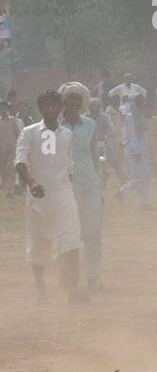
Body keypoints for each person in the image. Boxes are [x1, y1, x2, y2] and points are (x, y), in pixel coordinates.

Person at [15, 90, 81, 303]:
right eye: (46, 106)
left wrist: (70, 185)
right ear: (40, 108)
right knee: (38, 245)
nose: (51, 110)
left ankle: (71, 289)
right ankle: (41, 289)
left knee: (70, 240)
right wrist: (32, 182)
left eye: (54, 106)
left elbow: (68, 163)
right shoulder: (29, 132)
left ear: (60, 107)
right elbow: (20, 162)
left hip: (64, 195)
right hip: (39, 199)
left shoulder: (67, 135)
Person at [57, 83, 105, 292]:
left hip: (90, 183)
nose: (74, 103)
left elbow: (94, 155)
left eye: (77, 99)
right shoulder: (56, 127)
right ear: (63, 102)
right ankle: (66, 278)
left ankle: (93, 277)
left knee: (93, 231)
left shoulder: (90, 125)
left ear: (82, 101)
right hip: (65, 187)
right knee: (67, 233)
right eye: (70, 99)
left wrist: (100, 185)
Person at [118, 94, 153, 206]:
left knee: (143, 176)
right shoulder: (130, 117)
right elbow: (131, 136)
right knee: (143, 175)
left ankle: (144, 201)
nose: (143, 103)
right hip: (134, 150)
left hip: (141, 148)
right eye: (141, 101)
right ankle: (123, 191)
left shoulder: (140, 116)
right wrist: (136, 151)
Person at [0, 100, 20, 193]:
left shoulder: (13, 120)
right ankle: (4, 186)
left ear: (7, 109)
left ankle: (10, 190)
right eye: (1, 107)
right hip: (1, 149)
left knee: (11, 169)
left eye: (4, 107)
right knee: (2, 168)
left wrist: (18, 146)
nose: (3, 109)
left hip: (12, 148)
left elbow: (18, 134)